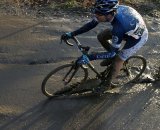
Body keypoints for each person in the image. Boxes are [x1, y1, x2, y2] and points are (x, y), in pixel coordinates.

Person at [62, 0, 148, 93]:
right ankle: (112, 57)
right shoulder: (109, 12)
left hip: (137, 38)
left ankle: (107, 84)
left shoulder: (118, 28)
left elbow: (112, 52)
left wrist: (90, 57)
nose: (96, 16)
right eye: (96, 12)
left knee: (119, 59)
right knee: (101, 36)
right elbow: (91, 24)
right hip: (128, 28)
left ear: (109, 15)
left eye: (99, 14)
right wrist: (72, 33)